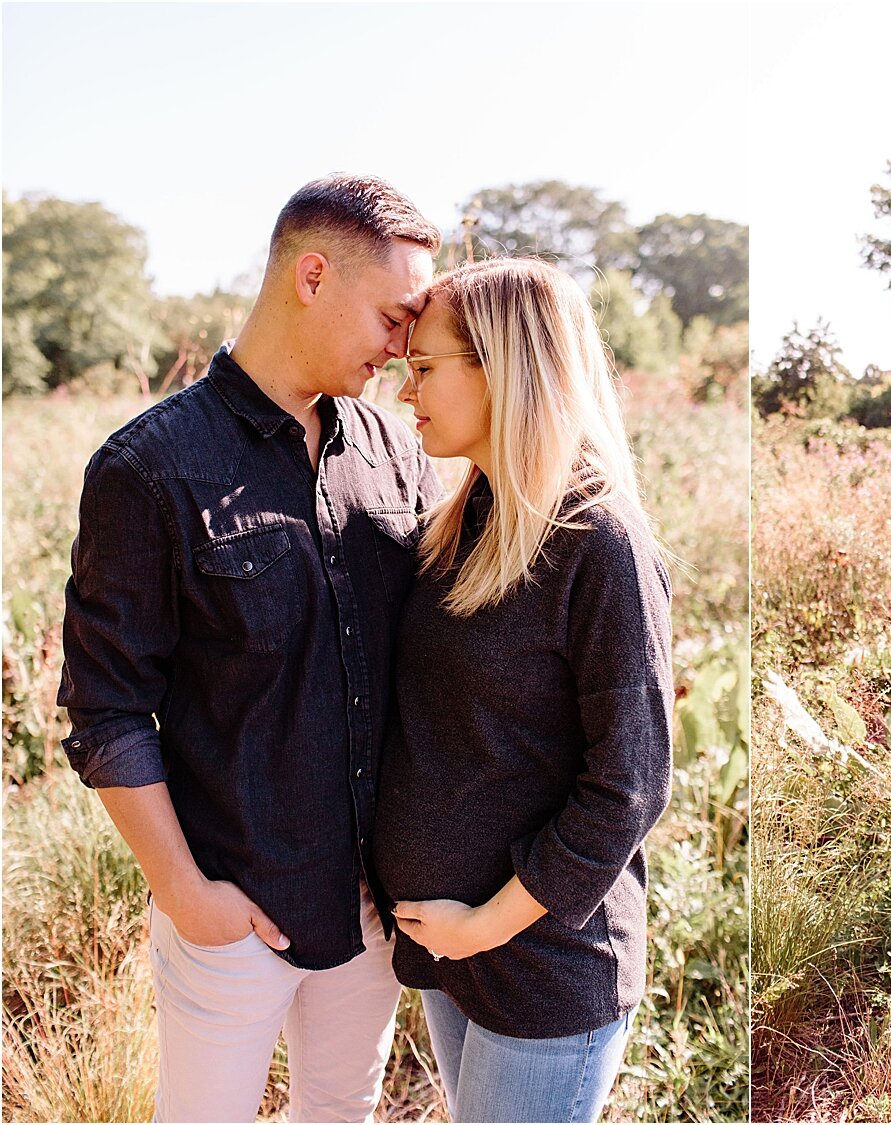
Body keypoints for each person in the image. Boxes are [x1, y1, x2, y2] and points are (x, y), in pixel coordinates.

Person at [58, 174, 444, 1121]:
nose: (402, 351)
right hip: (236, 908)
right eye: (394, 318)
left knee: (341, 1109)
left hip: (374, 906)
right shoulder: (147, 467)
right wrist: (187, 893)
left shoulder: (396, 450)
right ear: (312, 275)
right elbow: (107, 708)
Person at [371, 257, 674, 1124]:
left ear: (503, 365)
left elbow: (630, 786)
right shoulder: (465, 517)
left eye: (425, 367)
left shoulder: (598, 543)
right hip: (453, 951)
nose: (406, 391)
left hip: (543, 963)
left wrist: (485, 925)